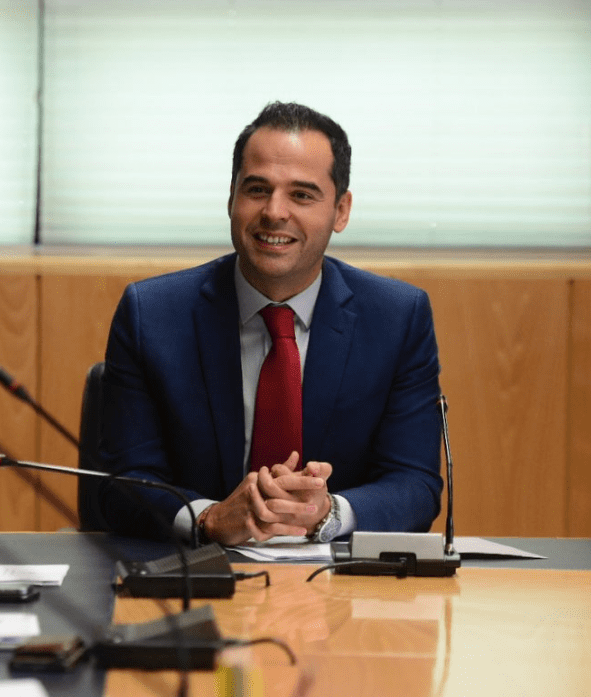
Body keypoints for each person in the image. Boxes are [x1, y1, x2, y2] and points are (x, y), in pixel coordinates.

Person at [99, 101, 443, 546]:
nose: (274, 212)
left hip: (342, 588)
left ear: (341, 210)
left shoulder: (397, 318)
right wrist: (210, 518)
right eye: (257, 189)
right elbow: (122, 482)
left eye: (302, 195)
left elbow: (415, 483)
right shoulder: (152, 314)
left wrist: (328, 512)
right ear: (231, 199)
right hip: (193, 579)